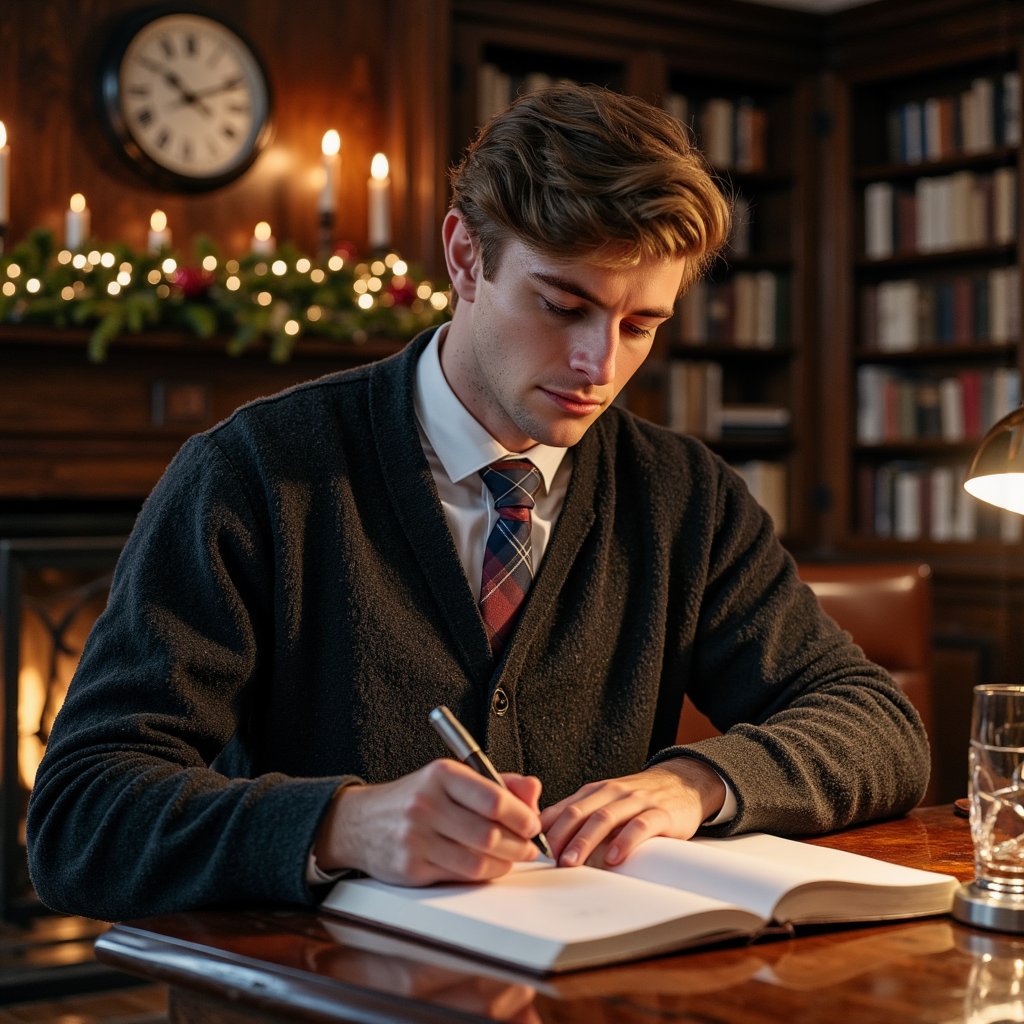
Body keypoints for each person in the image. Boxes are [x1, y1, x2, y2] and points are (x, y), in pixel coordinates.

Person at [26, 83, 929, 922]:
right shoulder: (254, 474)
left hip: (592, 990)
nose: (599, 366)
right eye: (563, 305)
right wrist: (344, 825)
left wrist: (698, 781)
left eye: (640, 326)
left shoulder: (683, 495)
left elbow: (877, 723)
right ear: (465, 257)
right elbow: (80, 814)